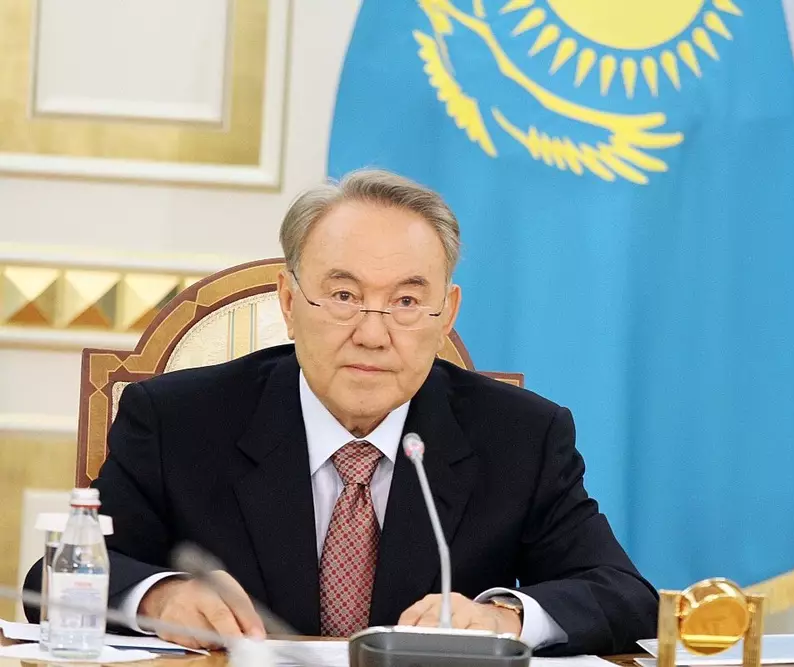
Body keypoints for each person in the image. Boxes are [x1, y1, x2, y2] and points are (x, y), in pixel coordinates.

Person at [25, 169, 658, 656]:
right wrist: (160, 597)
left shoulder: (521, 436)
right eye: (344, 295)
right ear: (289, 301)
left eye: (406, 302)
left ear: (447, 314)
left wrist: (502, 617)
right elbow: (51, 582)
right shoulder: (178, 422)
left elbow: (624, 594)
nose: (372, 334)